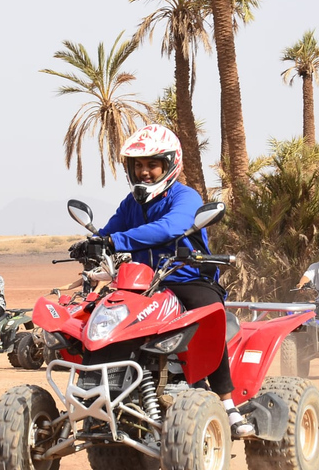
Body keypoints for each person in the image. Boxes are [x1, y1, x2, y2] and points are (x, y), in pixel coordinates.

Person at [68, 124, 254, 438]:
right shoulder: (132, 203)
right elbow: (111, 231)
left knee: (211, 316)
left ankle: (227, 403)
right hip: (139, 283)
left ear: (169, 165)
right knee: (97, 319)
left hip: (185, 278)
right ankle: (100, 397)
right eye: (138, 165)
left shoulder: (185, 196)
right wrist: (92, 243)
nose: (144, 172)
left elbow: (169, 228)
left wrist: (115, 242)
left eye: (152, 164)